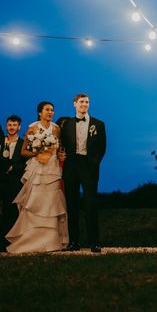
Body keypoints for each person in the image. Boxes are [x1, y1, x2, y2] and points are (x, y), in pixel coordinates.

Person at [6, 101, 68, 253]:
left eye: (52, 110)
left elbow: (59, 148)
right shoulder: (32, 128)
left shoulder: (56, 129)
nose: (50, 112)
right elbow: (24, 151)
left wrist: (59, 154)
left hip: (52, 169)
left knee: (51, 202)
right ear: (40, 112)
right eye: (47, 110)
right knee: (35, 202)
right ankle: (31, 241)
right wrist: (38, 151)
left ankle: (52, 242)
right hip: (37, 169)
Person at [61, 93, 106, 253]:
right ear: (74, 104)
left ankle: (94, 242)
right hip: (71, 168)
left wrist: (93, 164)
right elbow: (63, 145)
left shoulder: (99, 124)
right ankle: (74, 242)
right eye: (81, 102)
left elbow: (102, 148)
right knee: (72, 206)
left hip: (89, 168)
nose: (84, 104)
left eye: (87, 102)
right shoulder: (66, 125)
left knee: (90, 205)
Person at [0, 115, 26, 236]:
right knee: (1, 208)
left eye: (14, 125)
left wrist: (13, 167)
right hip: (0, 180)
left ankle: (14, 236)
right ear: (6, 126)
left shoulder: (22, 143)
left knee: (14, 210)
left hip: (15, 181)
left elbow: (26, 164)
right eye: (9, 125)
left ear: (19, 127)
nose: (11, 127)